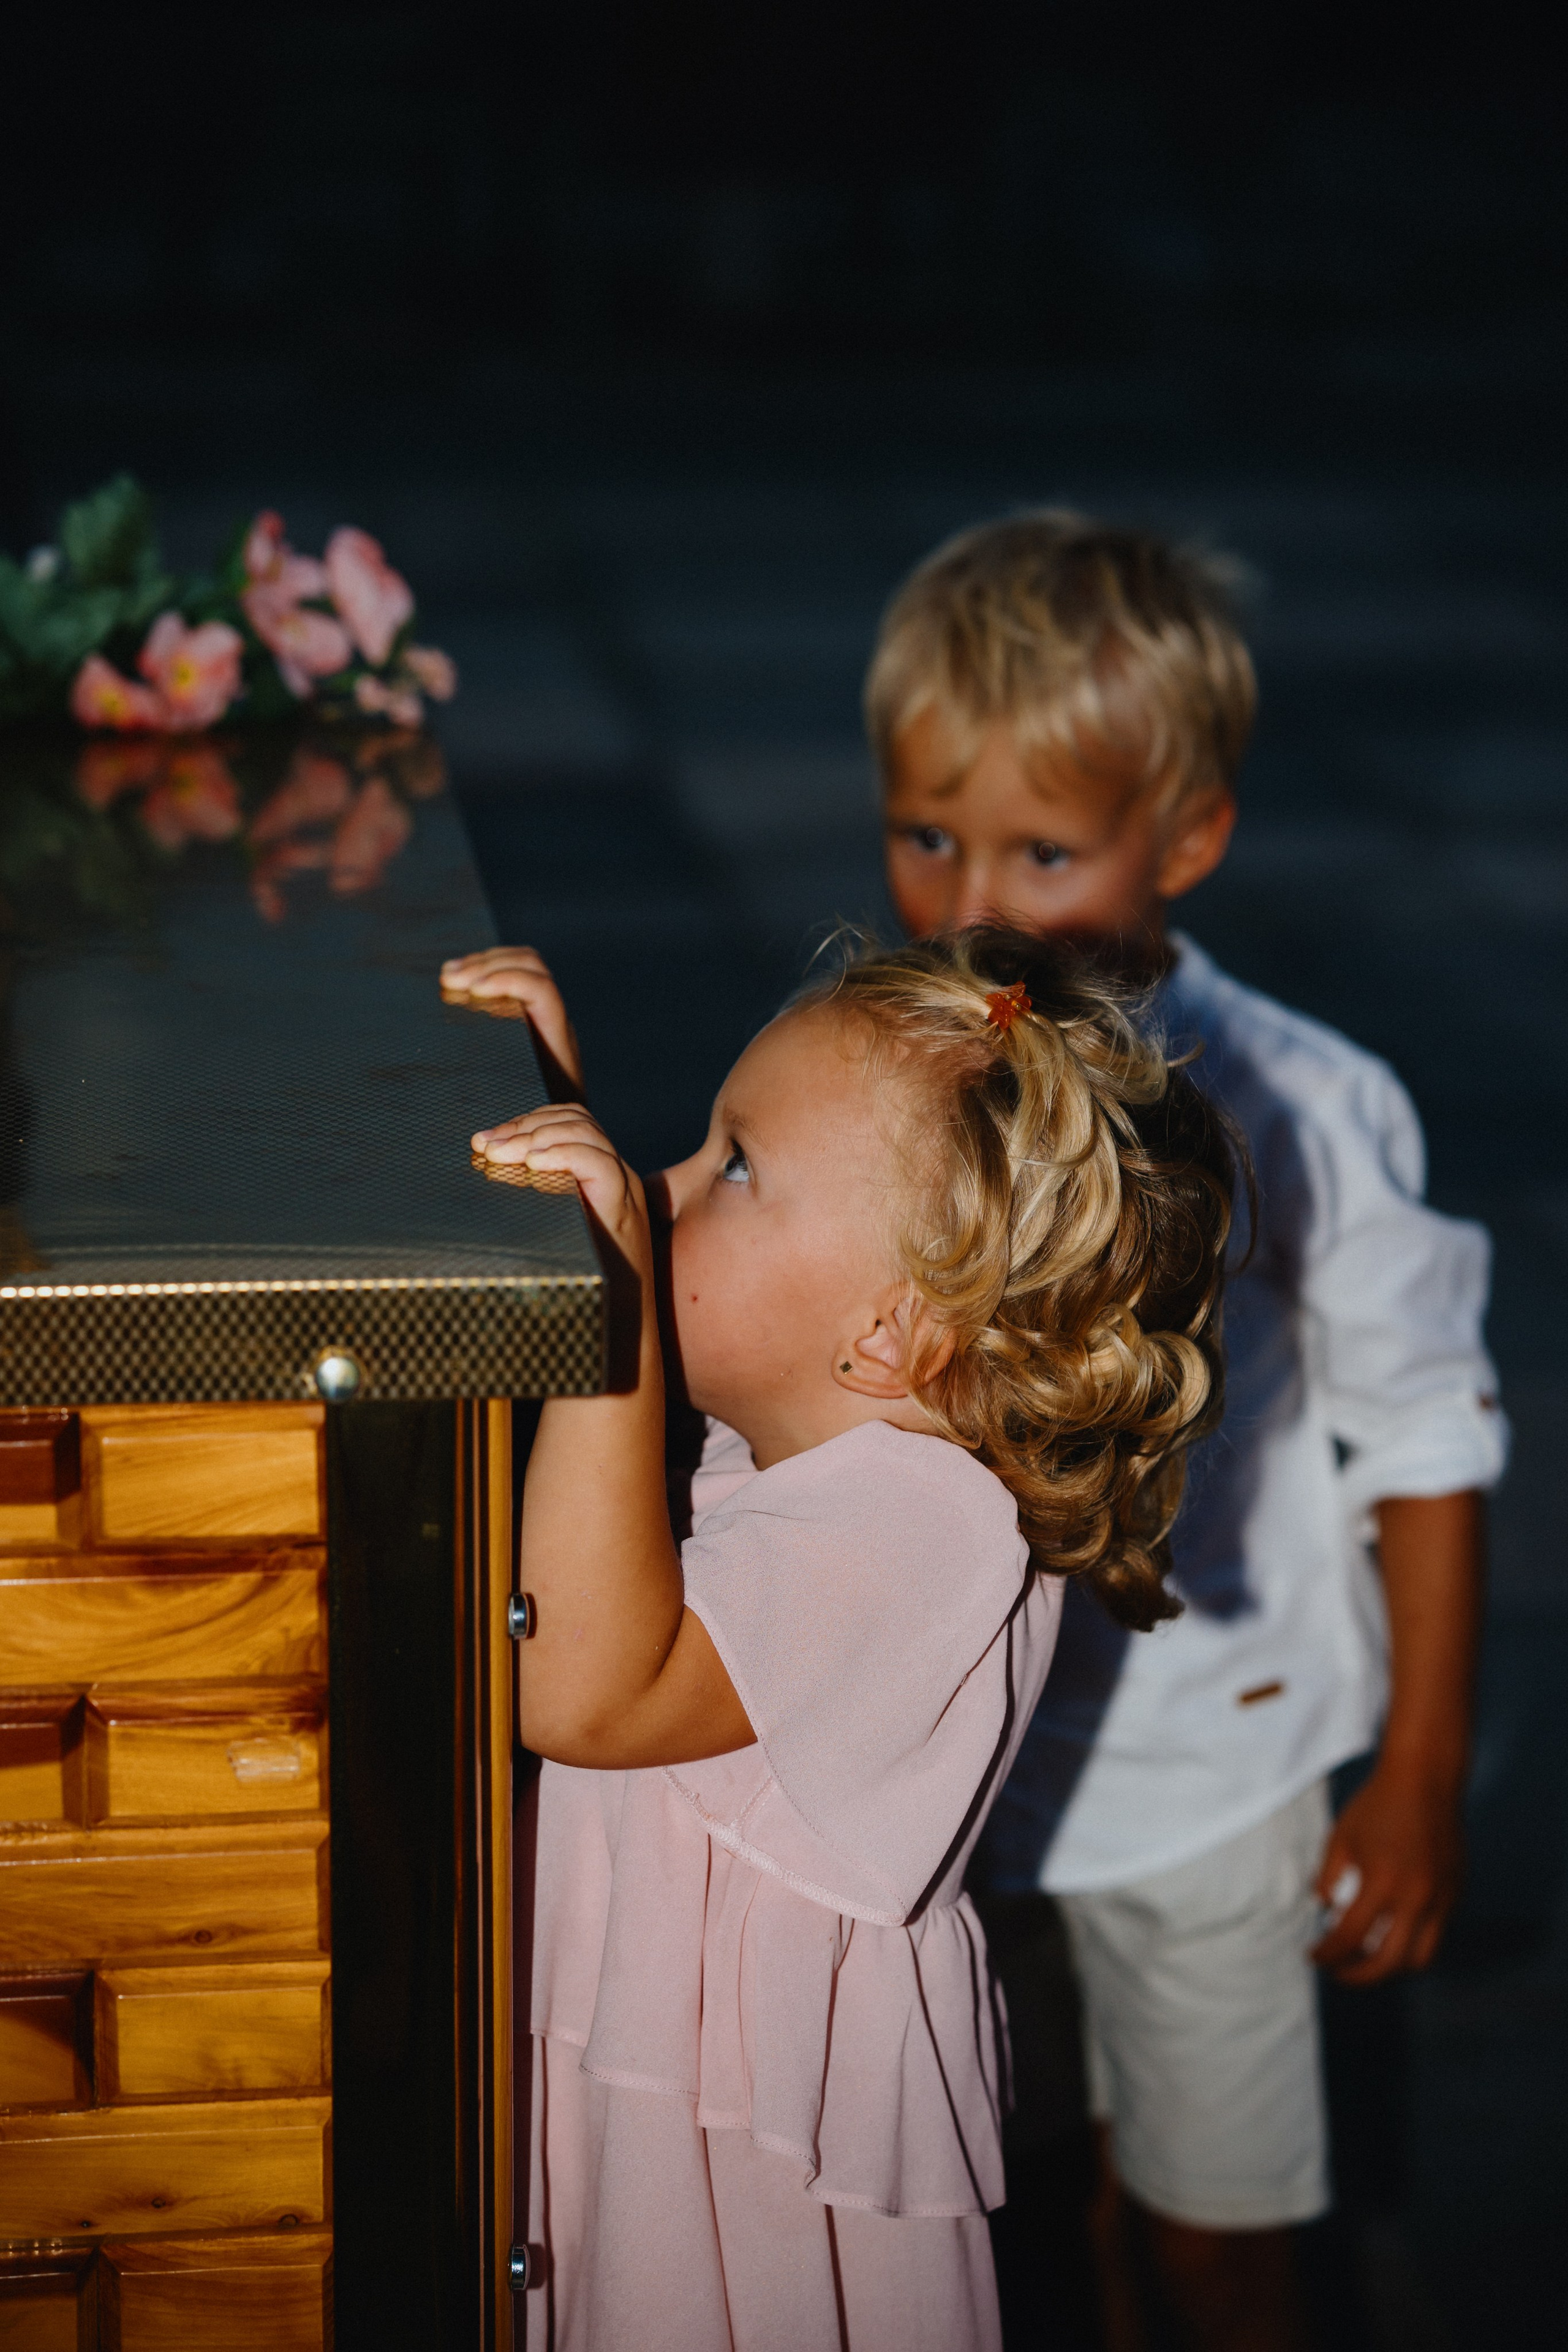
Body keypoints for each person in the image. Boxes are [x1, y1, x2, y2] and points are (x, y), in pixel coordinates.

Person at [861, 511, 1509, 2351]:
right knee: (1019, 2209)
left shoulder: (1302, 1103)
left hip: (1215, 1780)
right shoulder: (889, 1075)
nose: (970, 904)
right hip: (969, 1771)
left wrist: (1419, 1769)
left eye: (1043, 852)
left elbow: (1427, 1436)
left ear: (1190, 839)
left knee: (1216, 2239)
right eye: (926, 835)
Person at [448, 927, 1235, 2352]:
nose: (664, 1186)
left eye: (734, 1167)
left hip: (737, 2179)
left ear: (889, 1333)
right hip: (662, 2079)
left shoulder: (924, 1529)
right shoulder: (820, 1450)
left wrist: (613, 1292)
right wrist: (545, 1123)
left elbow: (584, 1691)